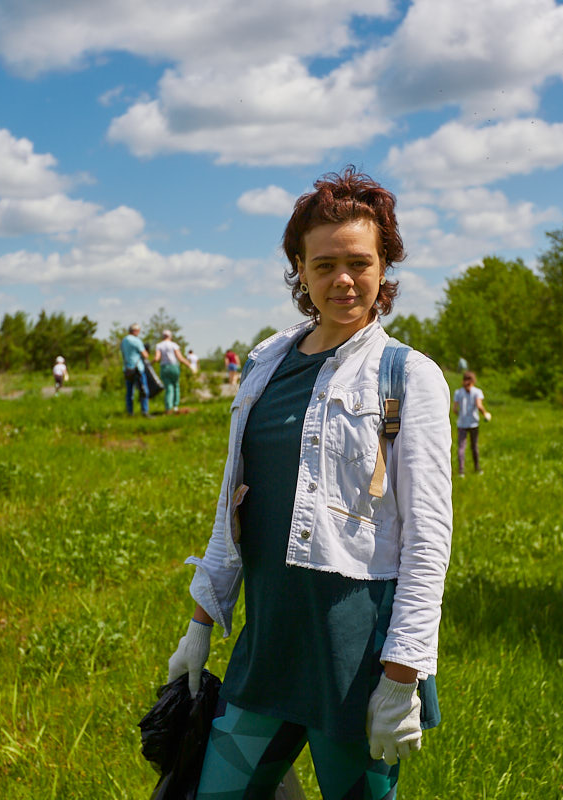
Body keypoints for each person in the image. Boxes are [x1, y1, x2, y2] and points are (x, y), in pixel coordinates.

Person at [166, 167, 453, 799]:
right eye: (323, 265)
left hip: (356, 657)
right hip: (269, 643)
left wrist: (402, 677)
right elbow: (232, 506)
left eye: (359, 262)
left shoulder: (409, 376)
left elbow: (428, 541)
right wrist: (199, 624)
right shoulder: (267, 362)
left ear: (385, 267)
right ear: (300, 268)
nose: (342, 280)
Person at [452, 370, 491, 477]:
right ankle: (477, 468)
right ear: (473, 380)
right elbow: (479, 406)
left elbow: (454, 409)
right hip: (473, 423)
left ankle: (461, 471)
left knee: (461, 447)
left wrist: (461, 414)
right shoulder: (477, 391)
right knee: (474, 446)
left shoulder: (458, 392)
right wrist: (485, 413)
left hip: (462, 423)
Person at [153, 330, 192, 413]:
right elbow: (180, 358)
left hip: (164, 367)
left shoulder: (159, 345)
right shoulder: (174, 345)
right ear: (170, 336)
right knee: (176, 386)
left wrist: (150, 363)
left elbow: (157, 358)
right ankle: (175, 406)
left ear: (163, 336)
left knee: (168, 388)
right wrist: (189, 365)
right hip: (174, 366)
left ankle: (168, 407)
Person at [121, 323, 151, 416]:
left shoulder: (124, 341)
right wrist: (147, 350)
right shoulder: (136, 341)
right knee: (144, 390)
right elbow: (145, 355)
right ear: (135, 331)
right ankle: (144, 411)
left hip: (127, 369)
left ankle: (130, 412)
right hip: (138, 369)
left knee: (129, 392)